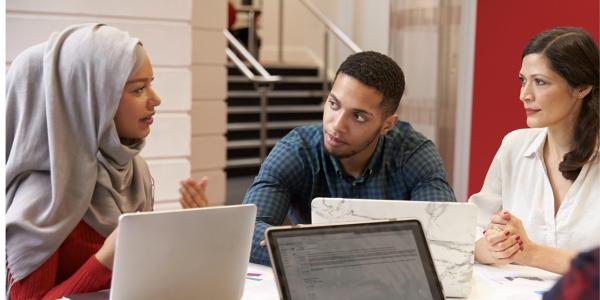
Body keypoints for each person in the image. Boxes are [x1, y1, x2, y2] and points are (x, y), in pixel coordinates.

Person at [5, 23, 208, 299]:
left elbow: (138, 282)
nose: (156, 99)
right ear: (90, 100)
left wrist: (189, 232)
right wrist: (106, 259)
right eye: (138, 90)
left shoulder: (133, 172)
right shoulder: (44, 196)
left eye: (151, 84)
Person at [244, 51, 456, 265]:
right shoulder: (297, 151)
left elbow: (447, 235)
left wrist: (304, 248)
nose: (336, 125)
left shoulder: (414, 154)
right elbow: (247, 230)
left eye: (358, 116)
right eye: (334, 104)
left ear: (387, 125)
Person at [470, 27, 599, 274]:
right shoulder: (513, 146)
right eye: (522, 81)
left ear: (582, 87)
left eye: (540, 82)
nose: (524, 95)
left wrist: (532, 253)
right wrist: (490, 248)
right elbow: (471, 227)